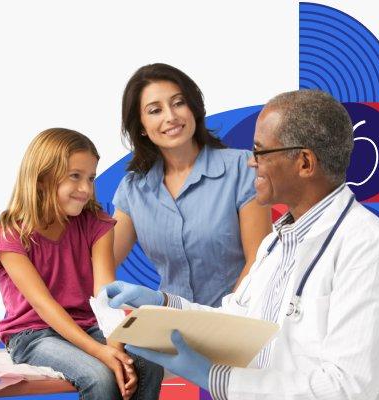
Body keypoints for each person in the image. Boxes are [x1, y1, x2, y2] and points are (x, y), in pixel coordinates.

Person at [105, 90, 379, 399]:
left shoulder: (368, 247)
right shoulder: (276, 242)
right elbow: (237, 325)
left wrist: (216, 378)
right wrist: (165, 304)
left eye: (260, 151)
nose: (251, 163)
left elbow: (345, 388)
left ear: (304, 163)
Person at [0, 128, 163, 400]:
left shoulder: (96, 223)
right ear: (43, 178)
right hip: (33, 334)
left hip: (89, 325)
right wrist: (101, 353)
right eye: (75, 177)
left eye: (90, 178)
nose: (86, 189)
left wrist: (115, 350)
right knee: (99, 377)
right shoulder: (9, 233)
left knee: (147, 364)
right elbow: (45, 307)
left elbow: (105, 295)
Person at [112, 63, 272, 306]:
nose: (171, 116)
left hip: (235, 324)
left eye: (178, 103)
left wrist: (225, 322)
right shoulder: (133, 189)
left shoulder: (242, 168)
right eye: (155, 110)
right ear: (141, 127)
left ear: (193, 108)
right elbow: (101, 263)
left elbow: (259, 262)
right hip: (169, 326)